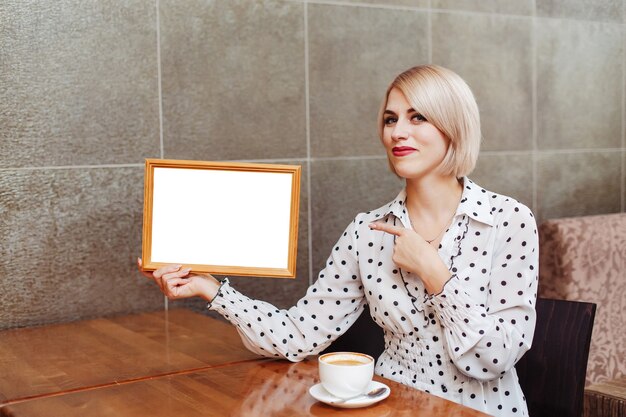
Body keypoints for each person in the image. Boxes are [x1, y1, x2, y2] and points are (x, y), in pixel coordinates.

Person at [138, 64, 538, 417]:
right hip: (390, 407)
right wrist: (211, 289)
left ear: (454, 126)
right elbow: (298, 335)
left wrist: (433, 272)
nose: (398, 132)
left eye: (418, 118)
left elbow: (494, 359)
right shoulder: (366, 232)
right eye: (390, 119)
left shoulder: (508, 221)